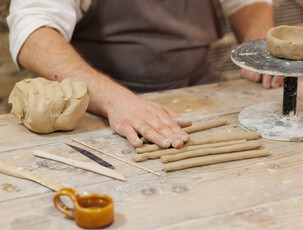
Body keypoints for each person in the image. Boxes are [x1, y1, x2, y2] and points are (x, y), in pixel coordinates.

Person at [7, 0, 283, 149]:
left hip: (201, 86)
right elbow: (33, 33)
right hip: (103, 98)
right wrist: (114, 100)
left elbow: (247, 3)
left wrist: (257, 49)